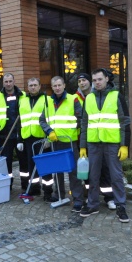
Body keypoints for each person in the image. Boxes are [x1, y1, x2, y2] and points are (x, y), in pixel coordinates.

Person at [79, 68, 131, 223]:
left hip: (112, 144)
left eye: (99, 79)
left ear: (107, 79)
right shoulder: (88, 98)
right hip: (93, 144)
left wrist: (125, 145)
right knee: (93, 176)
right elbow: (84, 123)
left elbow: (125, 121)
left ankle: (121, 205)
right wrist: (83, 146)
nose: (97, 83)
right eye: (94, 80)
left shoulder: (117, 96)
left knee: (116, 176)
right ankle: (93, 204)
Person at [39, 76, 84, 212]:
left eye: (59, 85)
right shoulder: (47, 101)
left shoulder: (72, 99)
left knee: (73, 172)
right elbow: (42, 120)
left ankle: (77, 199)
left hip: (69, 142)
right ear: (52, 87)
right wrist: (49, 131)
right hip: (55, 141)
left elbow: (81, 118)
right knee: (57, 170)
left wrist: (72, 131)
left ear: (64, 85)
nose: (57, 88)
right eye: (55, 86)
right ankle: (58, 195)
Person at [76, 73, 116, 210]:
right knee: (87, 170)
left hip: (102, 138)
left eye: (84, 80)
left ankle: (109, 197)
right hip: (85, 139)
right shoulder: (75, 98)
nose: (82, 83)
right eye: (79, 81)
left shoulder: (97, 95)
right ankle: (90, 196)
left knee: (105, 169)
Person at [17, 77, 56, 202]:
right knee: (31, 165)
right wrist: (20, 139)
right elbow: (20, 121)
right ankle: (34, 188)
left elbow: (51, 120)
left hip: (41, 138)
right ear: (27, 87)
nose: (33, 87)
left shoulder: (47, 99)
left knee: (45, 167)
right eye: (30, 85)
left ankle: (48, 192)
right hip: (28, 137)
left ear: (39, 86)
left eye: (35, 85)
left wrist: (48, 139)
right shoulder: (22, 100)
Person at [0, 73, 28, 190]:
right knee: (7, 163)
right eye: (6, 82)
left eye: (10, 81)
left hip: (21, 134)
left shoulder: (23, 95)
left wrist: (22, 136)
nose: (8, 84)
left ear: (14, 82)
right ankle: (7, 186)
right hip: (5, 135)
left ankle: (26, 185)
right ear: (3, 83)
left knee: (24, 162)